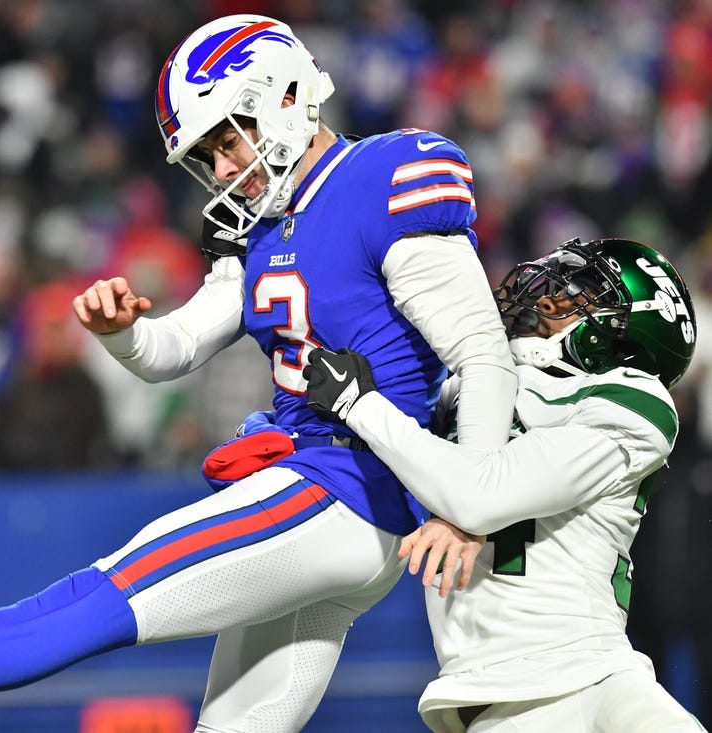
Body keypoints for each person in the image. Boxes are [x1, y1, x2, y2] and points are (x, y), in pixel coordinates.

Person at [0, 14, 516, 732]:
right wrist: (125, 335)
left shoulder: (383, 178)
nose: (223, 168)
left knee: (85, 604)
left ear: (288, 94)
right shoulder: (263, 229)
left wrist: (468, 510)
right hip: (325, 496)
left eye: (228, 136)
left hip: (342, 490)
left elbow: (480, 353)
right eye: (206, 154)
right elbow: (175, 348)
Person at [301, 237, 705, 732]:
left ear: (620, 335)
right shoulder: (475, 382)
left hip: (593, 675)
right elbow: (450, 477)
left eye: (577, 295)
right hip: (493, 697)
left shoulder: (632, 402)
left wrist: (361, 407)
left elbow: (479, 493)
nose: (545, 299)